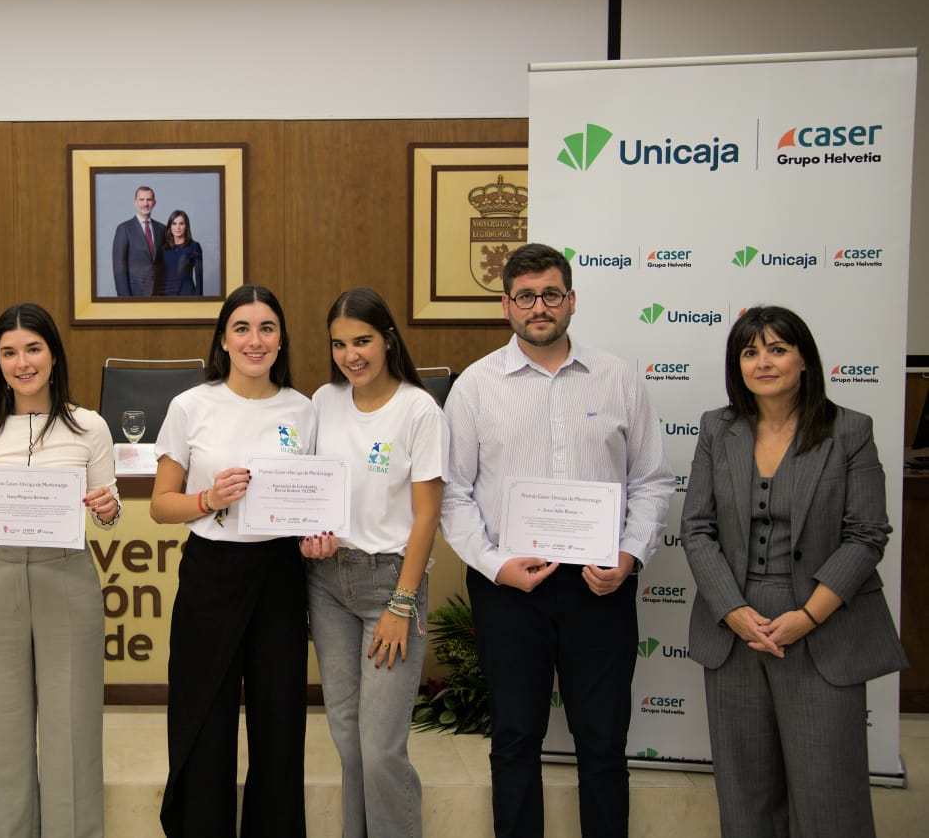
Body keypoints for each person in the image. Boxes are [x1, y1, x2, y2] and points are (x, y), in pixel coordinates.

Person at [439, 243, 674, 838]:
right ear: (506, 306)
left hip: (601, 586)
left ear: (570, 300)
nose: (538, 307)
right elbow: (453, 493)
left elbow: (650, 481)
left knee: (602, 742)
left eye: (550, 294)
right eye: (525, 297)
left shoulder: (617, 378)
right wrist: (496, 566)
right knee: (516, 737)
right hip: (511, 588)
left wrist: (628, 556)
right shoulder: (473, 387)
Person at [681, 305, 907, 838]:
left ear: (804, 359)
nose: (763, 362)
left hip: (821, 625)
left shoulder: (849, 430)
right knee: (745, 795)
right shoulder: (719, 429)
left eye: (778, 349)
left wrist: (808, 615)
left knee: (828, 795)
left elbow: (867, 533)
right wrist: (732, 609)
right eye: (750, 351)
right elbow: (696, 528)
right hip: (735, 630)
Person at [0, 303, 121, 838]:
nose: (22, 362)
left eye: (33, 348)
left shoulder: (90, 426)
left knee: (73, 727)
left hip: (67, 577)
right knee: (1, 731)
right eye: (9, 352)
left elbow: (108, 513)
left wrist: (108, 510)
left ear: (54, 354)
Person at [152, 283, 324, 838]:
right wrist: (208, 499)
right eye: (242, 329)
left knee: (279, 725)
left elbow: (316, 499)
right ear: (223, 340)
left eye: (267, 328)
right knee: (204, 721)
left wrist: (315, 535)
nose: (255, 340)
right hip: (211, 573)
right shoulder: (191, 406)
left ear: (281, 340)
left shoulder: (305, 409)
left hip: (280, 575)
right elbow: (160, 505)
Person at [307, 288, 446, 838]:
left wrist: (402, 603)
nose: (351, 355)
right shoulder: (323, 399)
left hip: (392, 583)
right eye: (339, 344)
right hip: (327, 582)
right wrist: (307, 535)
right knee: (347, 741)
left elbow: (427, 516)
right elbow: (310, 492)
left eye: (362, 340)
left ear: (388, 338)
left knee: (381, 748)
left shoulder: (419, 408)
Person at [111, 185, 165, 296]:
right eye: (142, 200)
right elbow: (119, 269)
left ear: (154, 203)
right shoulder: (124, 229)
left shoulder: (162, 229)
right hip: (135, 294)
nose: (145, 203)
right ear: (135, 202)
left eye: (149, 200)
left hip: (159, 294)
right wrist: (126, 300)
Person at [160, 209, 203, 297]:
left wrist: (199, 299)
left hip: (188, 295)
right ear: (170, 226)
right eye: (174, 223)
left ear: (186, 226)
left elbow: (199, 276)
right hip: (166, 296)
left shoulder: (194, 246)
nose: (178, 227)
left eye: (181, 224)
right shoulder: (163, 249)